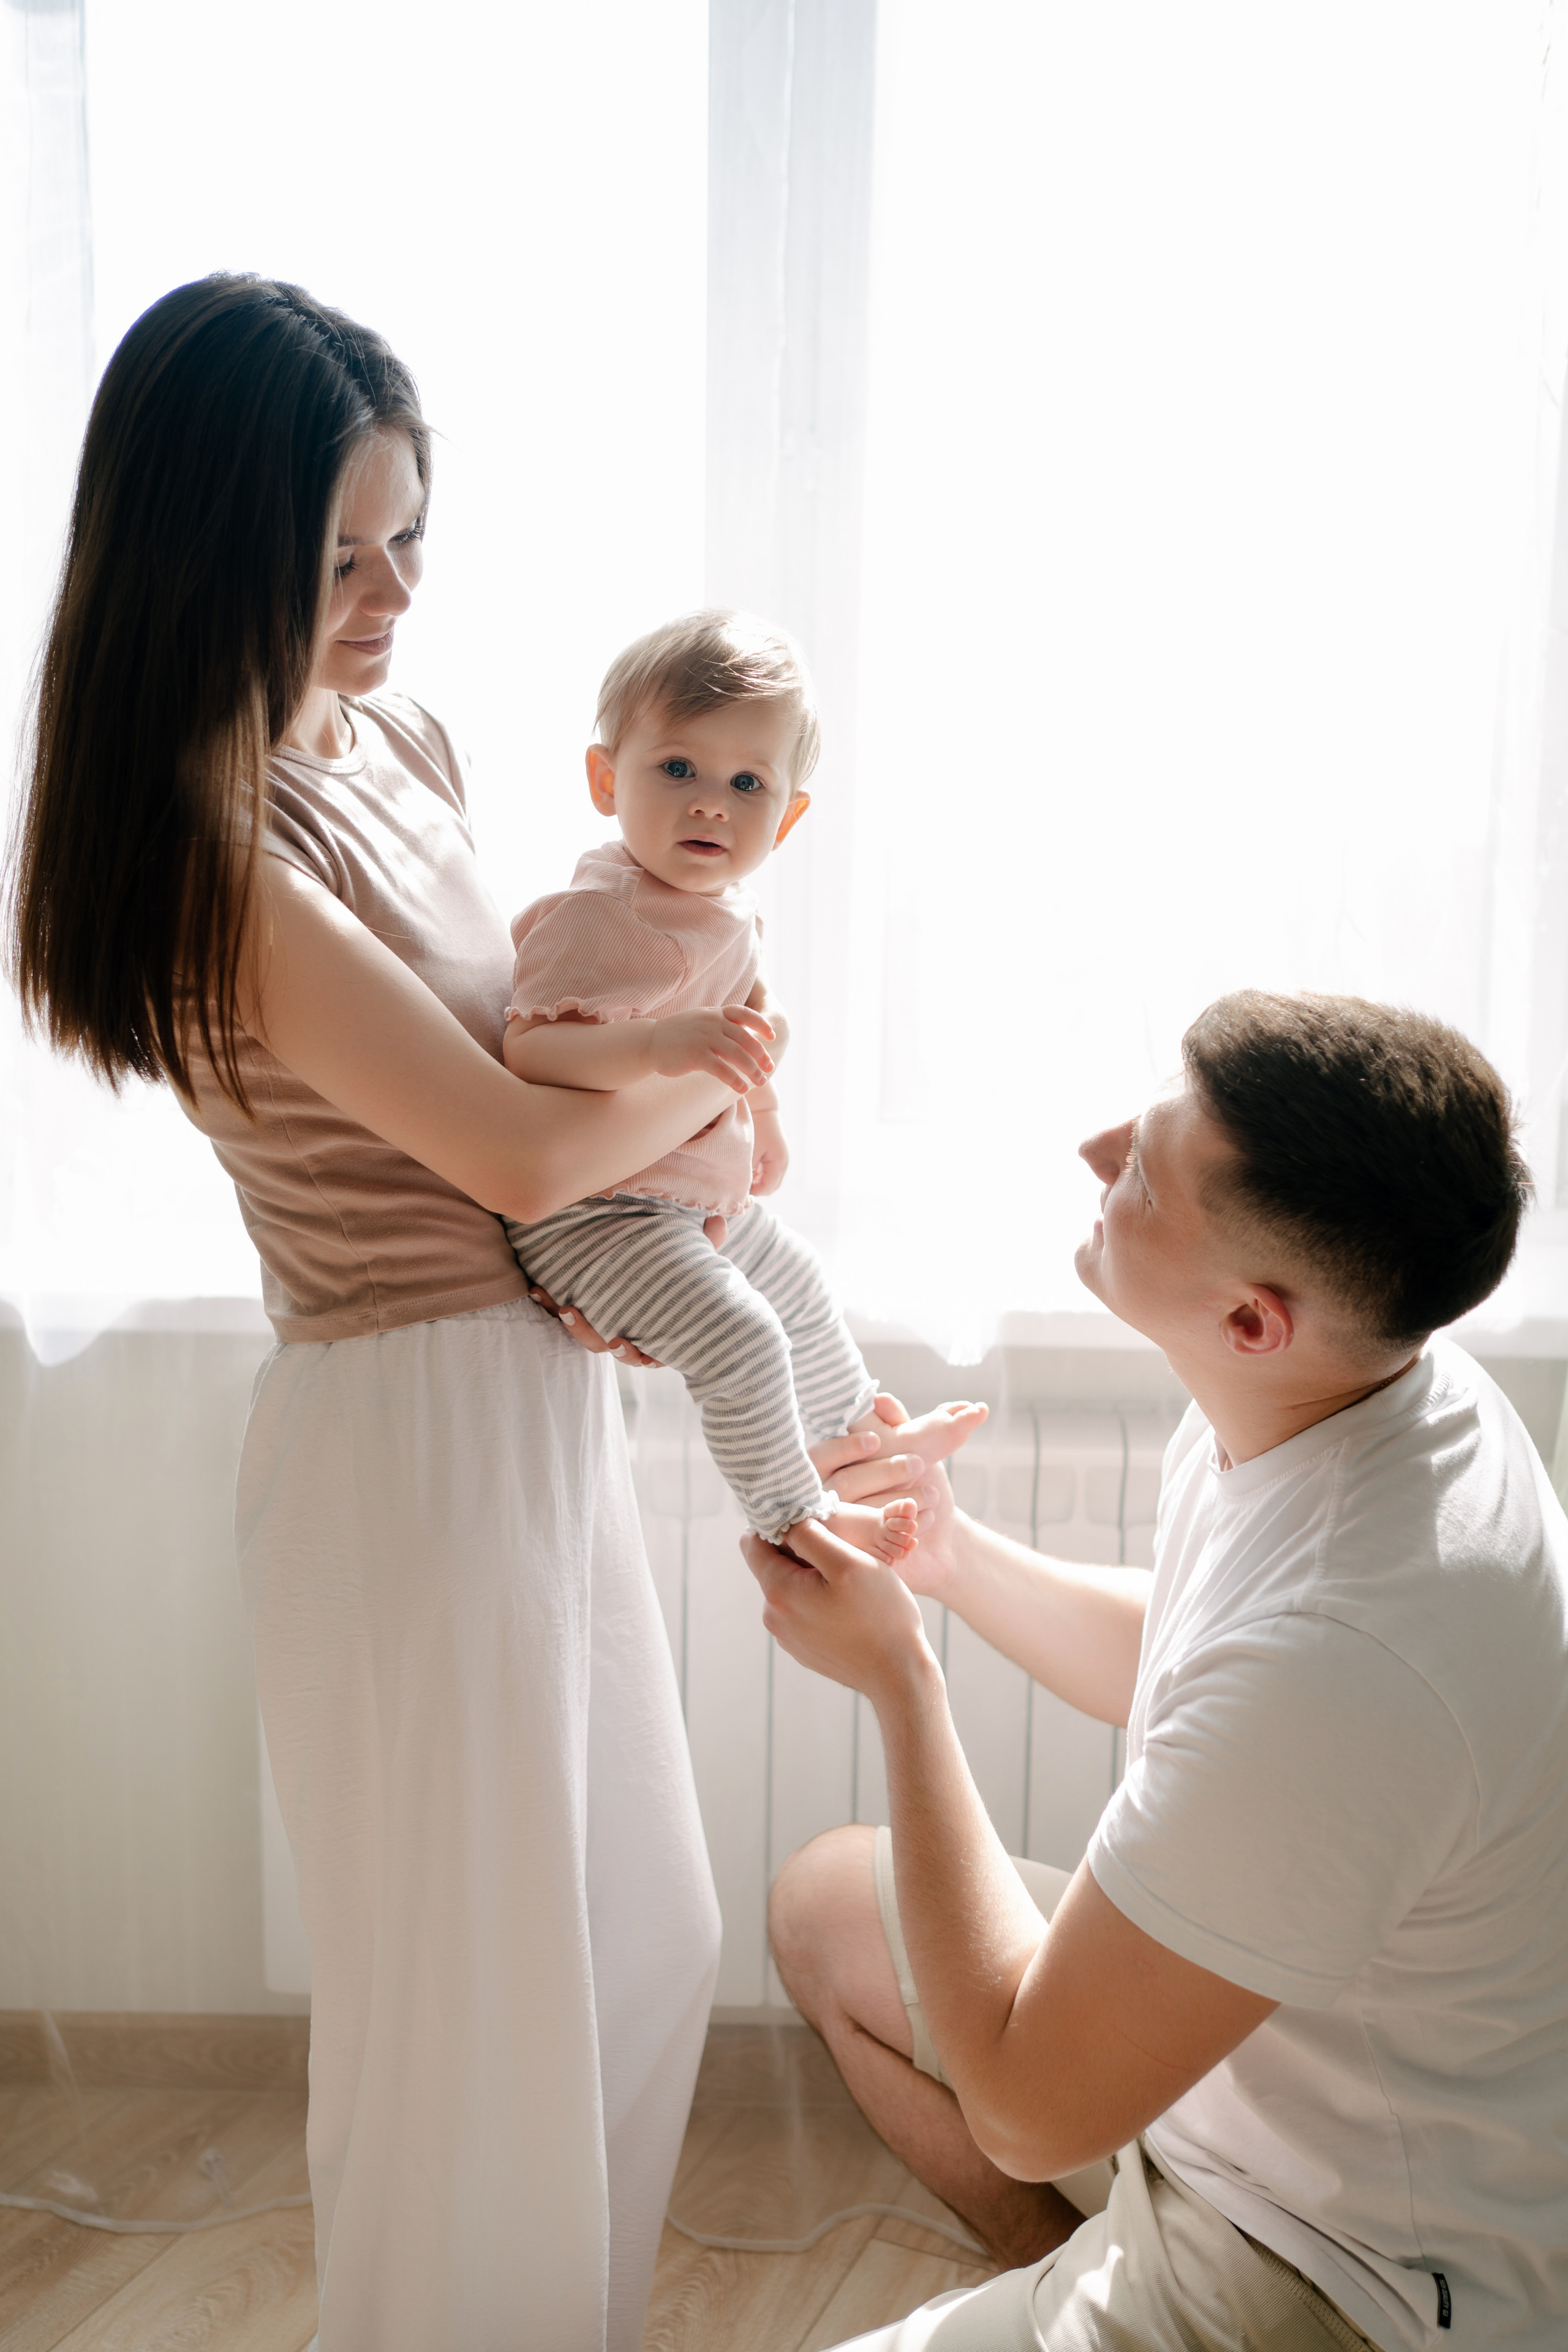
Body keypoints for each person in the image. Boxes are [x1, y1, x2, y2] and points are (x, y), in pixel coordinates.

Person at [2, 273, 924, 2352]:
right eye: (336, 555)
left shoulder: (404, 736)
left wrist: (671, 1085)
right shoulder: (197, 839)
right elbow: (516, 1152)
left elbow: (557, 1062)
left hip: (531, 1400)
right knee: (470, 2035)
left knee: (632, 1944)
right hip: (397, 1435)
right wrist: (726, 1065)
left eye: (413, 536)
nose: (392, 594)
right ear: (199, 543)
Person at [755, 991, 1568, 2352]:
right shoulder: (1361, 1391)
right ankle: (1071, 2282)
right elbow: (1192, 1657)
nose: (1095, 1149)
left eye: (1143, 1166)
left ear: (1252, 1319)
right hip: (1217, 2121)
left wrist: (903, 1684)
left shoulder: (1349, 1651)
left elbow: (1021, 2110)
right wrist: (945, 1558)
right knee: (828, 1903)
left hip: (1349, 2267)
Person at [502, 609, 984, 1567]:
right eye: (677, 769)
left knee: (798, 1284)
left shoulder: (727, 912)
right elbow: (531, 1055)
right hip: (593, 1216)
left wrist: (760, 1118)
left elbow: (749, 1021)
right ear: (607, 779)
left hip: (682, 1199)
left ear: (789, 814)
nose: (710, 804)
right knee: (744, 1337)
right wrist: (657, 1046)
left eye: (746, 783)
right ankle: (796, 1511)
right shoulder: (598, 913)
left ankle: (859, 1442)